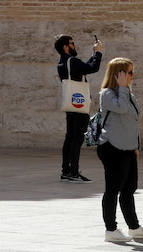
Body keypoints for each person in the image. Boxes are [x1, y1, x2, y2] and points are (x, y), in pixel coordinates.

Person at [96, 58, 143, 244]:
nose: (132, 76)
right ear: (118, 74)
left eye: (132, 72)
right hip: (112, 148)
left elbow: (134, 122)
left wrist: (136, 147)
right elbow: (120, 109)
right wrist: (122, 87)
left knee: (129, 189)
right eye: (129, 72)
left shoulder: (128, 93)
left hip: (128, 148)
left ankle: (134, 228)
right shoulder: (107, 94)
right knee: (112, 190)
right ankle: (111, 230)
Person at [55, 33, 103, 183]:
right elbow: (93, 68)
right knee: (77, 138)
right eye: (72, 43)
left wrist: (94, 53)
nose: (74, 45)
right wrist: (99, 52)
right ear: (65, 46)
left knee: (70, 137)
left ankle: (67, 170)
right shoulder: (72, 61)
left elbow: (84, 68)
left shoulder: (64, 62)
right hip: (79, 105)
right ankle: (73, 172)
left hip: (71, 104)